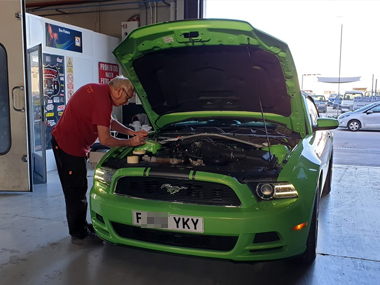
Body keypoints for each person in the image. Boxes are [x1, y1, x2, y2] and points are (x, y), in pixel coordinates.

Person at [51, 76, 148, 245]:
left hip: (69, 143)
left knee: (78, 188)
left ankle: (81, 226)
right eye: (127, 97)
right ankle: (79, 235)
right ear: (119, 90)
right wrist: (130, 143)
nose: (126, 103)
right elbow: (105, 140)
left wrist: (131, 133)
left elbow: (110, 122)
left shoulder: (100, 93)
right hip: (68, 146)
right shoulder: (102, 100)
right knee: (76, 191)